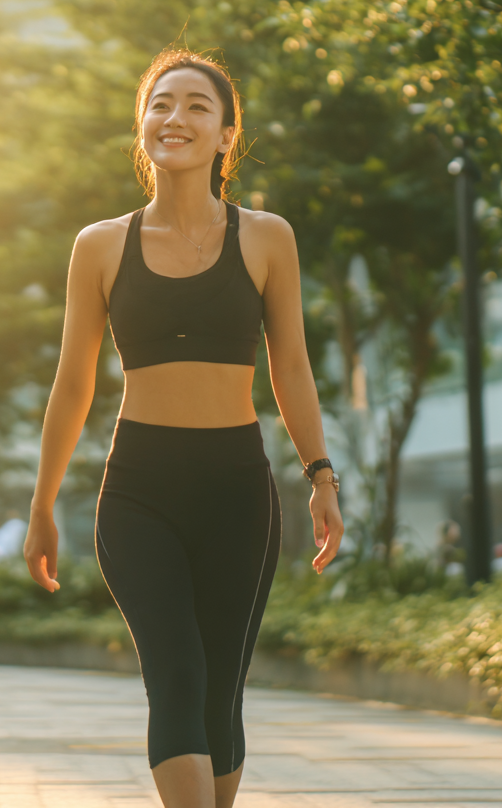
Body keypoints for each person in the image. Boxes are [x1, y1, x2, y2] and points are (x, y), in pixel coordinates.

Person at [22, 48, 342, 808]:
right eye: (162, 104)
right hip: (139, 490)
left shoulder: (267, 238)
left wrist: (321, 476)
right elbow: (73, 383)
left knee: (220, 697)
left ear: (226, 135)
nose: (178, 118)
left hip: (238, 487)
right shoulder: (99, 246)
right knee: (176, 677)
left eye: (199, 106)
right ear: (142, 129)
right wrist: (41, 507)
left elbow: (291, 368)